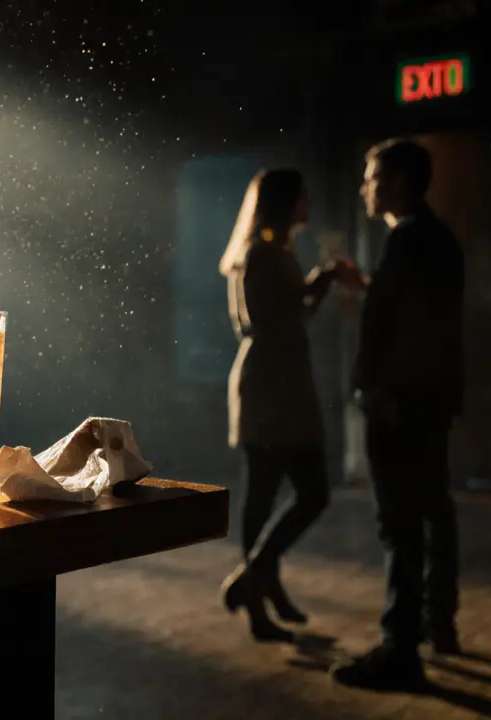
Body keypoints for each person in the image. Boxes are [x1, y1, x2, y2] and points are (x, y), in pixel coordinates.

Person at [331, 138, 466, 691]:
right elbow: (418, 314)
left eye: (374, 176)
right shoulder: (433, 239)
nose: (365, 186)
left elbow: (406, 330)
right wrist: (366, 285)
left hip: (400, 405)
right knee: (432, 506)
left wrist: (380, 393)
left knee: (400, 524)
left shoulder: (409, 242)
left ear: (401, 181)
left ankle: (399, 649)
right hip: (427, 401)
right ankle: (439, 620)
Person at [218, 168, 347, 642]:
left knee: (276, 492)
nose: (308, 204)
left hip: (279, 384)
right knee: (292, 491)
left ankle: (259, 584)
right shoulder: (263, 254)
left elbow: (290, 314)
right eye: (302, 196)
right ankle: (257, 588)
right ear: (287, 202)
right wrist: (322, 281)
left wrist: (319, 281)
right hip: (271, 387)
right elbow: (280, 319)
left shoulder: (272, 252)